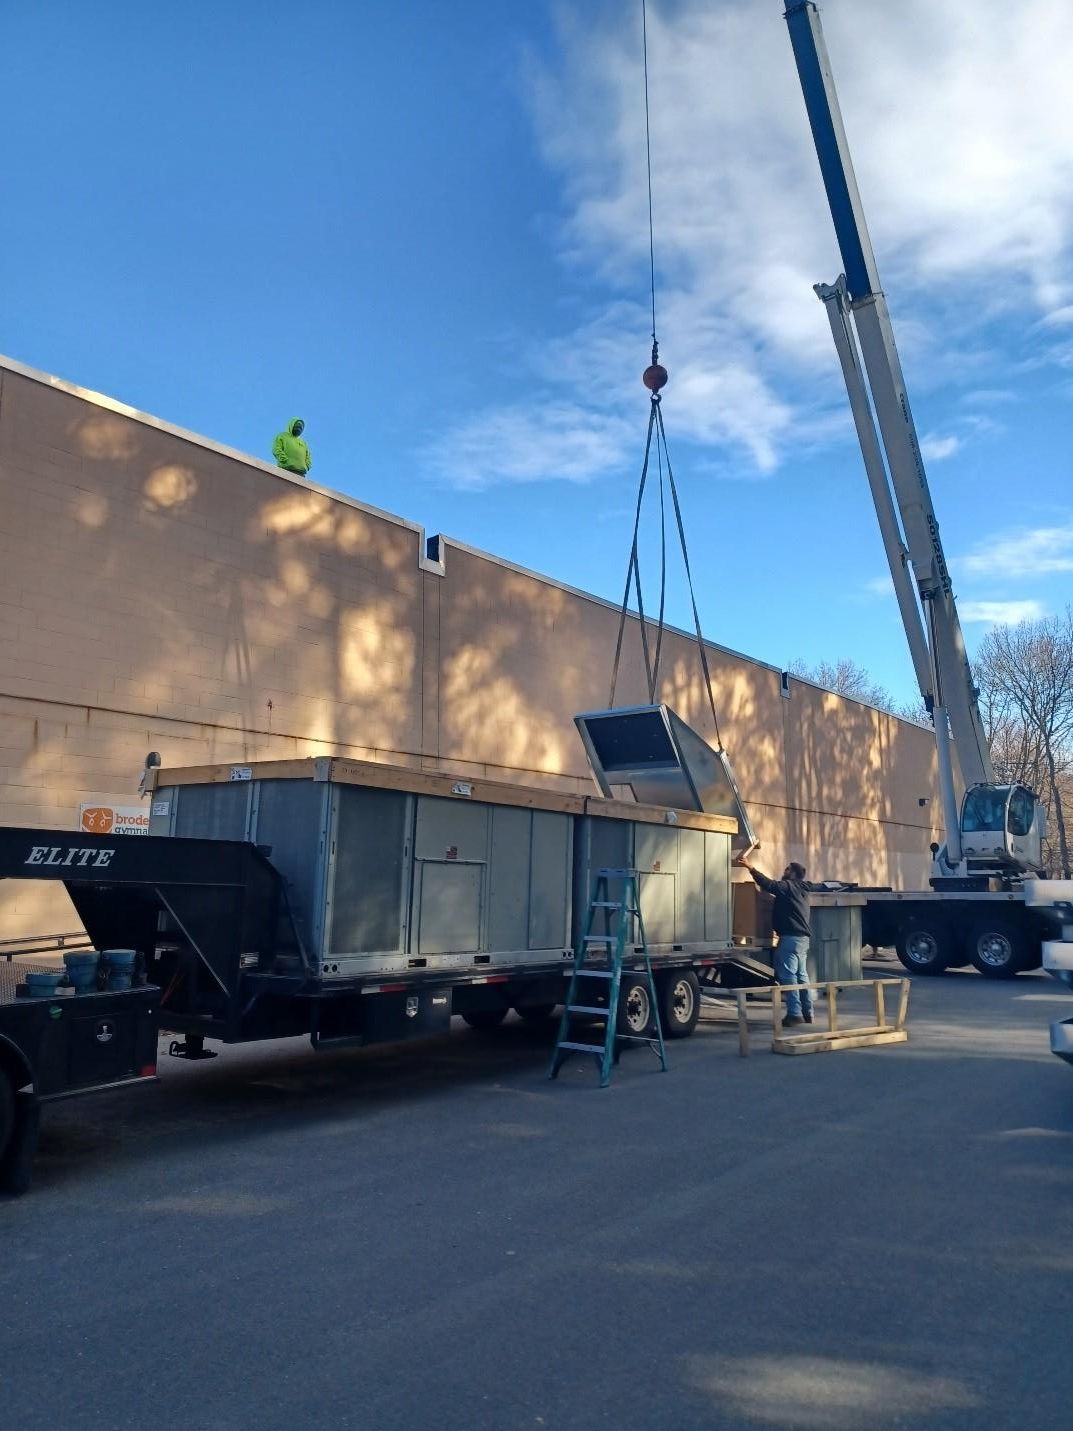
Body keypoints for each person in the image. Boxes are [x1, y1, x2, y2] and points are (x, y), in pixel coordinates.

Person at [733, 853, 814, 1026]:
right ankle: (808, 1012)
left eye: (786, 870)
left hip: (790, 938)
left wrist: (750, 867)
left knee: (788, 976)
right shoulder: (805, 888)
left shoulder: (788, 886)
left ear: (792, 874)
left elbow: (768, 884)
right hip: (803, 939)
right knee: (802, 976)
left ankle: (794, 1014)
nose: (783, 872)